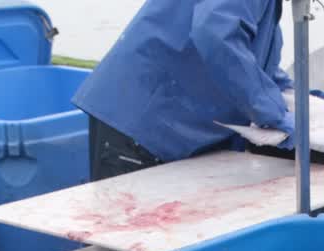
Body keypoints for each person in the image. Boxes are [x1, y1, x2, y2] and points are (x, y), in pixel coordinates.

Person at [72, 0, 297, 181]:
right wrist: (273, 114)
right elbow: (216, 32)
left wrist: (297, 95)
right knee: (126, 231)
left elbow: (253, 54)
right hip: (141, 118)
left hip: (168, 116)